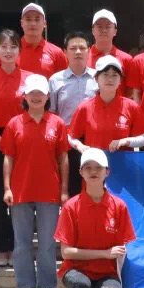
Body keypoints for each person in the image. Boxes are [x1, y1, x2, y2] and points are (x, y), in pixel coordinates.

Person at [54, 147, 135, 288]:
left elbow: (124, 247)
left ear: (107, 172)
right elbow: (66, 252)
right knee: (82, 285)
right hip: (75, 270)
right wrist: (104, 253)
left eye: (98, 168)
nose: (93, 172)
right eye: (88, 168)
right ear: (80, 172)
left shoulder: (119, 207)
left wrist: (114, 258)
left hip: (106, 273)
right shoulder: (71, 207)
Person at [2, 74, 69, 288]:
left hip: (49, 191)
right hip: (20, 191)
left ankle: (48, 286)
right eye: (32, 93)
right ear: (25, 96)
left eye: (40, 93)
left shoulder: (57, 123)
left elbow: (63, 158)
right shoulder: (14, 124)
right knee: (21, 242)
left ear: (48, 96)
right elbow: (8, 157)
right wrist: (7, 187)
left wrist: (64, 189)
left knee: (48, 243)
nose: (36, 97)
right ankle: (26, 286)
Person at [0, 29, 37, 268]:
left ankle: (21, 249)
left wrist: (18, 140)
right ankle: (2, 249)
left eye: (13, 46)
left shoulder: (29, 79)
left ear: (19, 51)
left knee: (22, 198)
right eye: (3, 47)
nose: (8, 51)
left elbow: (36, 109)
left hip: (24, 140)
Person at [69, 56, 144, 196]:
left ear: (120, 80)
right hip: (93, 172)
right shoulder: (85, 107)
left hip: (122, 172)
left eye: (114, 75)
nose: (110, 79)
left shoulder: (130, 106)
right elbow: (71, 136)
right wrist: (79, 146)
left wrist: (126, 141)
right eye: (105, 75)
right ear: (96, 78)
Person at [49, 31, 98, 202]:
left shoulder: (98, 77)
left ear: (89, 50)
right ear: (65, 52)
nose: (78, 52)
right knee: (71, 187)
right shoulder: (55, 80)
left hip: (93, 138)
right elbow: (52, 113)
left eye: (82, 48)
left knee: (94, 185)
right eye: (73, 48)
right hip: (66, 140)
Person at [86, 10, 140, 101]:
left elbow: (130, 91)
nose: (104, 30)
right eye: (99, 26)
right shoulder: (84, 57)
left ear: (115, 31)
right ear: (93, 31)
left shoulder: (126, 59)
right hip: (89, 108)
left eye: (108, 27)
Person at [17, 3, 68, 78]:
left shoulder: (57, 53)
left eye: (37, 20)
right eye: (28, 19)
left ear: (44, 24)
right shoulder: (11, 51)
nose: (33, 23)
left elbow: (64, 81)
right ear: (22, 23)